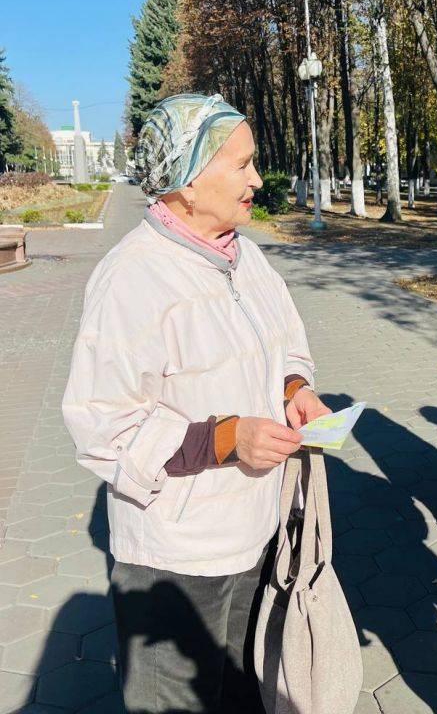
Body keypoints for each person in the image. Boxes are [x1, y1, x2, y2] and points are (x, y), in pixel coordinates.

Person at [62, 94, 330, 713]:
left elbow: (287, 343)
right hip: (177, 557)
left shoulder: (245, 255)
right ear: (188, 179)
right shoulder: (133, 277)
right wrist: (226, 438)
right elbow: (103, 425)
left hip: (256, 532)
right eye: (242, 165)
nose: (257, 180)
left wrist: (297, 390)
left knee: (240, 692)